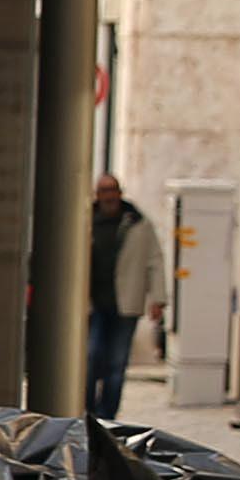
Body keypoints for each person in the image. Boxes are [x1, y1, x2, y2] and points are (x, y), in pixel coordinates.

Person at [86, 175, 159, 419]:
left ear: (119, 193)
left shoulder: (138, 223)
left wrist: (158, 298)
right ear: (97, 195)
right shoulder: (85, 221)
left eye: (112, 190)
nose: (108, 196)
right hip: (93, 304)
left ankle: (107, 416)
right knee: (90, 358)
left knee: (116, 364)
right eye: (103, 191)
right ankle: (88, 412)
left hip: (125, 303)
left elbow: (154, 261)